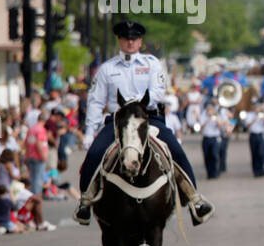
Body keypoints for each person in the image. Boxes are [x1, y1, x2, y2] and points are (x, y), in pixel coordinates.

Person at [74, 21, 214, 226]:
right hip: (117, 120)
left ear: (140, 42)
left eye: (134, 39)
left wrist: (134, 102)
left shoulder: (152, 64)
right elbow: (96, 100)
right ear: (120, 40)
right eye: (126, 39)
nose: (130, 43)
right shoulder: (107, 68)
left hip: (148, 117)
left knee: (175, 150)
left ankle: (194, 199)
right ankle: (85, 202)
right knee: (95, 153)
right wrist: (89, 132)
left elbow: (157, 91)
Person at [199, 101, 231, 180]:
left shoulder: (218, 115)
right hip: (206, 138)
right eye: (208, 109)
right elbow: (200, 127)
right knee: (207, 156)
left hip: (215, 138)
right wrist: (208, 120)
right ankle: (209, 173)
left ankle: (215, 173)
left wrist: (215, 119)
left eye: (211, 109)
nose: (209, 110)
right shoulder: (203, 115)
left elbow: (221, 126)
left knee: (214, 155)